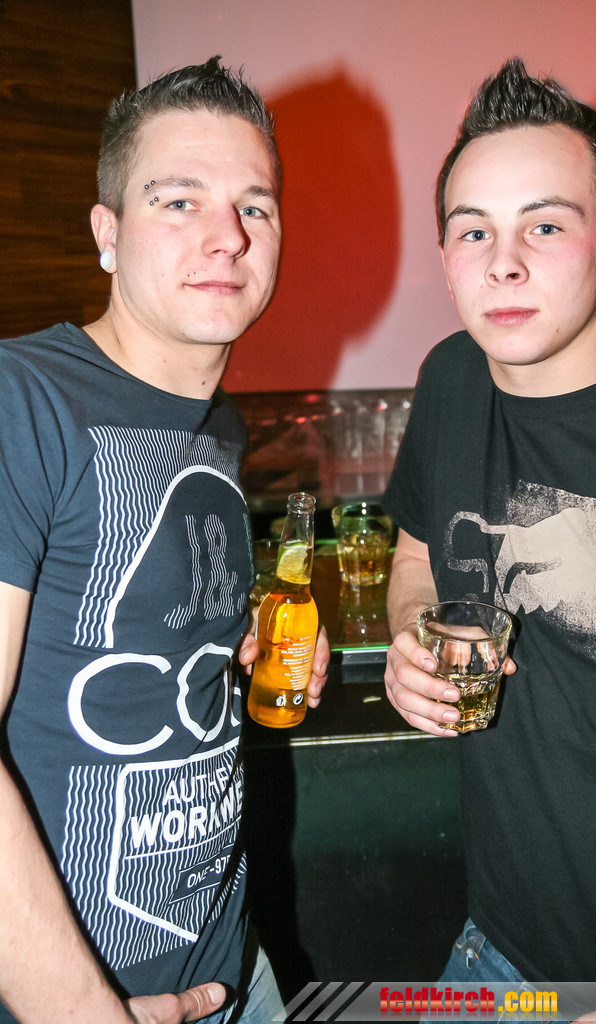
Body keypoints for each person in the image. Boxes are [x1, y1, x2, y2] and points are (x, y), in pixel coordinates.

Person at [0, 56, 328, 1024]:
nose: (228, 235)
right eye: (178, 200)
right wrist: (80, 1009)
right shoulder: (22, 398)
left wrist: (227, 646)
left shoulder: (214, 426)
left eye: (254, 207)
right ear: (107, 233)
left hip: (231, 964)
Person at [383, 59, 596, 1020]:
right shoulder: (450, 380)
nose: (502, 263)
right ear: (446, 259)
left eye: (545, 226)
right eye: (474, 230)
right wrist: (413, 637)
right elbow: (417, 556)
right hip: (496, 953)